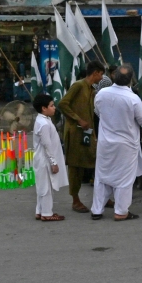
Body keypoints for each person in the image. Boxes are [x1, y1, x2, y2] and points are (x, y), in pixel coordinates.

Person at [91, 64, 142, 221]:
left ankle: (97, 210)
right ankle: (121, 211)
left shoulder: (101, 93)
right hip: (126, 145)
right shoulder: (133, 99)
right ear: (130, 80)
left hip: (105, 143)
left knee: (102, 176)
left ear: (113, 76)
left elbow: (98, 111)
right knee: (124, 179)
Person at [58, 60, 105, 213]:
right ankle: (75, 200)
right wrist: (78, 119)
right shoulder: (78, 85)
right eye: (101, 74)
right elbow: (63, 104)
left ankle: (103, 196)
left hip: (88, 133)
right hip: (75, 133)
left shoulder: (92, 90)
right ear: (95, 73)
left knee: (97, 162)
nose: (101, 78)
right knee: (75, 167)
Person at [32, 93, 67, 222]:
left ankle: (39, 210)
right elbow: (46, 144)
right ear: (44, 108)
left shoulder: (43, 120)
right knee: (46, 187)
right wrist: (53, 162)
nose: (54, 108)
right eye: (51, 106)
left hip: (42, 158)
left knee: (42, 186)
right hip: (44, 160)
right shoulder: (44, 124)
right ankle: (46, 213)